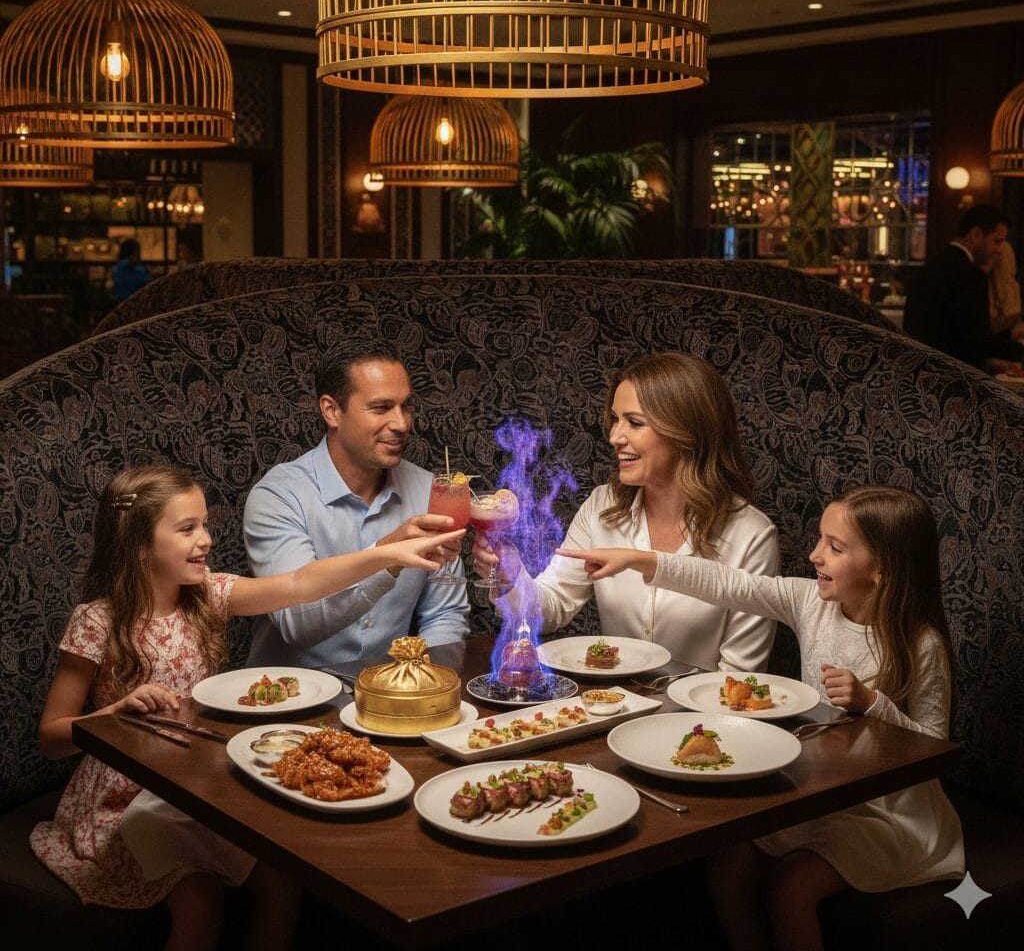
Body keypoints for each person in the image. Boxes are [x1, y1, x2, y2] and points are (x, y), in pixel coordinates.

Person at [32, 464, 462, 951]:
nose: (206, 539)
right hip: (124, 798)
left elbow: (302, 583)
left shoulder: (209, 597)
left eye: (205, 524)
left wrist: (387, 554)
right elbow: (51, 737)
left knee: (283, 880)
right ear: (137, 542)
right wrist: (115, 714)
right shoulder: (95, 622)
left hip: (198, 787)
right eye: (187, 528)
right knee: (200, 902)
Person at [558, 484, 964, 951]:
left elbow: (935, 749)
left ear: (880, 569)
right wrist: (640, 559)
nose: (814, 555)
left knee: (792, 887)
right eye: (819, 539)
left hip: (892, 818)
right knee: (727, 866)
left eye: (834, 547)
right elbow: (730, 584)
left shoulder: (921, 643)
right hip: (824, 799)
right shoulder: (810, 601)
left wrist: (874, 703)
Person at [474, 352, 779, 673]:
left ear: (685, 432)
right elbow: (551, 607)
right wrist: (511, 577)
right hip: (611, 707)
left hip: (699, 720)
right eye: (615, 419)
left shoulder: (752, 535)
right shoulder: (602, 507)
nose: (614, 437)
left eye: (634, 423)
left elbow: (739, 677)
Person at [244, 343, 471, 670]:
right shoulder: (279, 496)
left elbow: (444, 614)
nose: (402, 423)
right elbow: (298, 624)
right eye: (381, 408)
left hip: (392, 697)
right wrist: (388, 555)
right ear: (332, 411)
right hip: (292, 702)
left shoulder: (429, 489)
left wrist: (422, 684)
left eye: (405, 406)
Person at [904, 204, 1023, 372]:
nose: (1000, 251)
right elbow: (977, 340)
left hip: (919, 371)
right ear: (976, 234)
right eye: (997, 242)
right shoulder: (970, 275)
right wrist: (1020, 352)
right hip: (953, 380)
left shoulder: (928, 268)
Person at [111, 238, 150, 302]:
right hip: (136, 301)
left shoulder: (117, 268)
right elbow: (145, 284)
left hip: (123, 302)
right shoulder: (138, 269)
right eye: (136, 252)